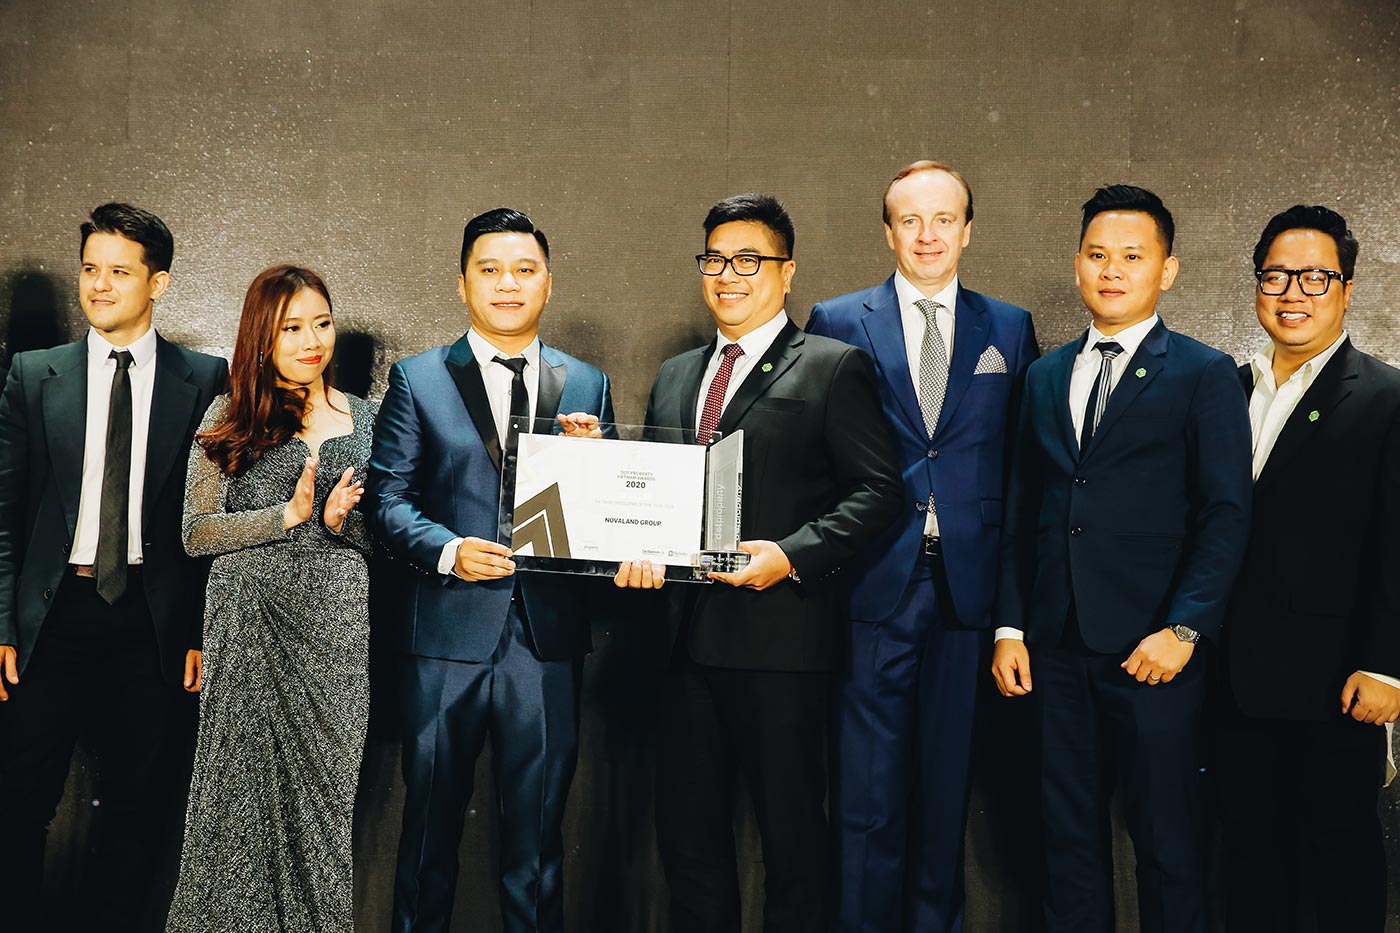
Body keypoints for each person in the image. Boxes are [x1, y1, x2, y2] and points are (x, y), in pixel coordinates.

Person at [616, 193, 903, 932]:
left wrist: (791, 555)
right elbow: (655, 492)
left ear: (787, 271)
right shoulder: (678, 374)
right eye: (714, 260)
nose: (728, 275)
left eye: (748, 260)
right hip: (681, 645)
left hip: (782, 645)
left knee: (794, 845)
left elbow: (880, 492)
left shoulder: (833, 366)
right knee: (689, 846)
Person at [991, 185, 1252, 933]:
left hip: (1155, 650)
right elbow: (1024, 510)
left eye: (1132, 257)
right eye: (1098, 254)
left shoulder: (1203, 372)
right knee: (1065, 841)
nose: (1112, 270)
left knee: (1168, 841)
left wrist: (1185, 628)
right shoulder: (1043, 376)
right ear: (1077, 263)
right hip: (1054, 648)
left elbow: (1226, 512)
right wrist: (1011, 627)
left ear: (1167, 270)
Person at [366, 208, 614, 933]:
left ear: (548, 282)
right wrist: (449, 549)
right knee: (427, 835)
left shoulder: (587, 382)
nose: (509, 283)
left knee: (538, 841)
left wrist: (596, 462)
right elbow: (387, 499)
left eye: (524, 270)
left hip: (546, 640)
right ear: (463, 283)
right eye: (491, 269)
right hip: (446, 636)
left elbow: (607, 514)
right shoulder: (417, 378)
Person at [806, 160, 1038, 932]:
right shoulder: (839, 319)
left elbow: (1023, 469)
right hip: (873, 581)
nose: (928, 235)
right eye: (910, 220)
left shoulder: (1009, 327)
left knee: (946, 792)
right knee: (865, 796)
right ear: (888, 232)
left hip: (971, 595)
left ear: (968, 230)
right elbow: (814, 455)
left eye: (944, 219)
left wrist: (1013, 611)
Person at [0, 203, 228, 932]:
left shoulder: (206, 379)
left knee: (136, 808)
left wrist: (196, 630)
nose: (99, 285)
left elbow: (209, 521)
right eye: (90, 269)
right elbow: (5, 513)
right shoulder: (34, 375)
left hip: (151, 623)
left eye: (119, 272)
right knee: (18, 803)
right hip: (53, 616)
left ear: (158, 283)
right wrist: (3, 624)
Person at [164, 265, 372, 932]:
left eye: (322, 323)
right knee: (237, 802)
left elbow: (390, 534)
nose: (312, 341)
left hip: (335, 627)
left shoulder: (369, 417)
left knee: (325, 804)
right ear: (262, 335)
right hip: (248, 623)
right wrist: (287, 516)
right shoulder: (229, 413)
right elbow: (196, 532)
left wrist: (338, 523)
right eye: (291, 328)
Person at [1216, 205, 1400, 932]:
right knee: (1248, 859)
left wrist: (1386, 667)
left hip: (1337, 681)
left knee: (1338, 857)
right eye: (1276, 276)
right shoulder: (1226, 389)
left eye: (1315, 277)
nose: (1293, 293)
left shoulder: (1386, 397)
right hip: (1230, 679)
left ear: (1347, 289)